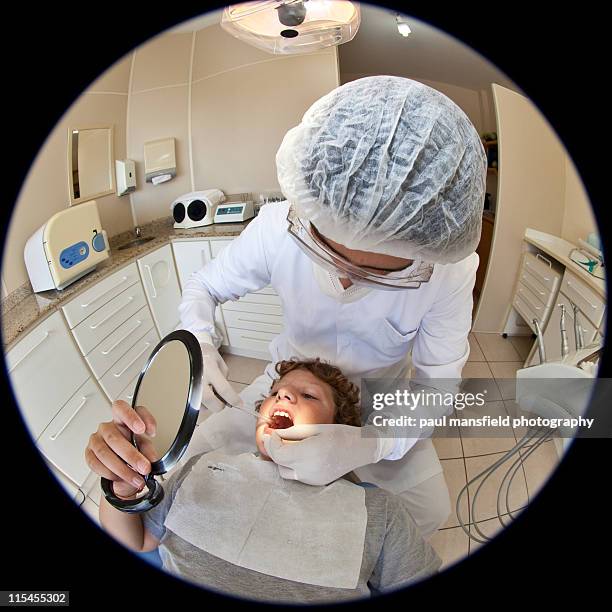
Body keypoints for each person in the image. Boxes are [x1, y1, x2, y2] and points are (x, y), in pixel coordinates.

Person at [179, 75, 487, 536]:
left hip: (383, 400)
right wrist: (199, 343)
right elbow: (205, 287)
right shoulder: (277, 227)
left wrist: (373, 443)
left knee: (426, 512)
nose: (346, 278)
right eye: (331, 253)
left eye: (379, 272)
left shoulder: (450, 268)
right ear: (311, 215)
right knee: (201, 470)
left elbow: (436, 385)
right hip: (287, 375)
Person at [93, 359, 441, 604]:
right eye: (276, 393)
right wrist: (120, 486)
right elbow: (137, 540)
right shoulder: (200, 468)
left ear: (340, 430)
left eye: (308, 396)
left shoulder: (378, 510)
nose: (284, 397)